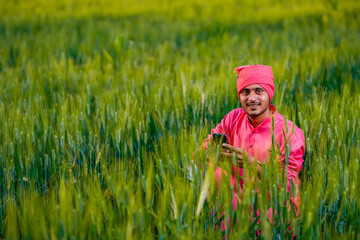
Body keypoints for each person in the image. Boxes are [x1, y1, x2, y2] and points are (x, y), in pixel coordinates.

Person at [201, 64, 305, 228]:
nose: (251, 98)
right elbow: (204, 147)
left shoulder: (290, 133)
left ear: (269, 93)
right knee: (216, 172)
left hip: (274, 206)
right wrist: (209, 154)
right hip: (237, 201)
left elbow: (288, 186)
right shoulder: (233, 118)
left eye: (258, 91)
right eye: (245, 92)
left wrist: (252, 164)